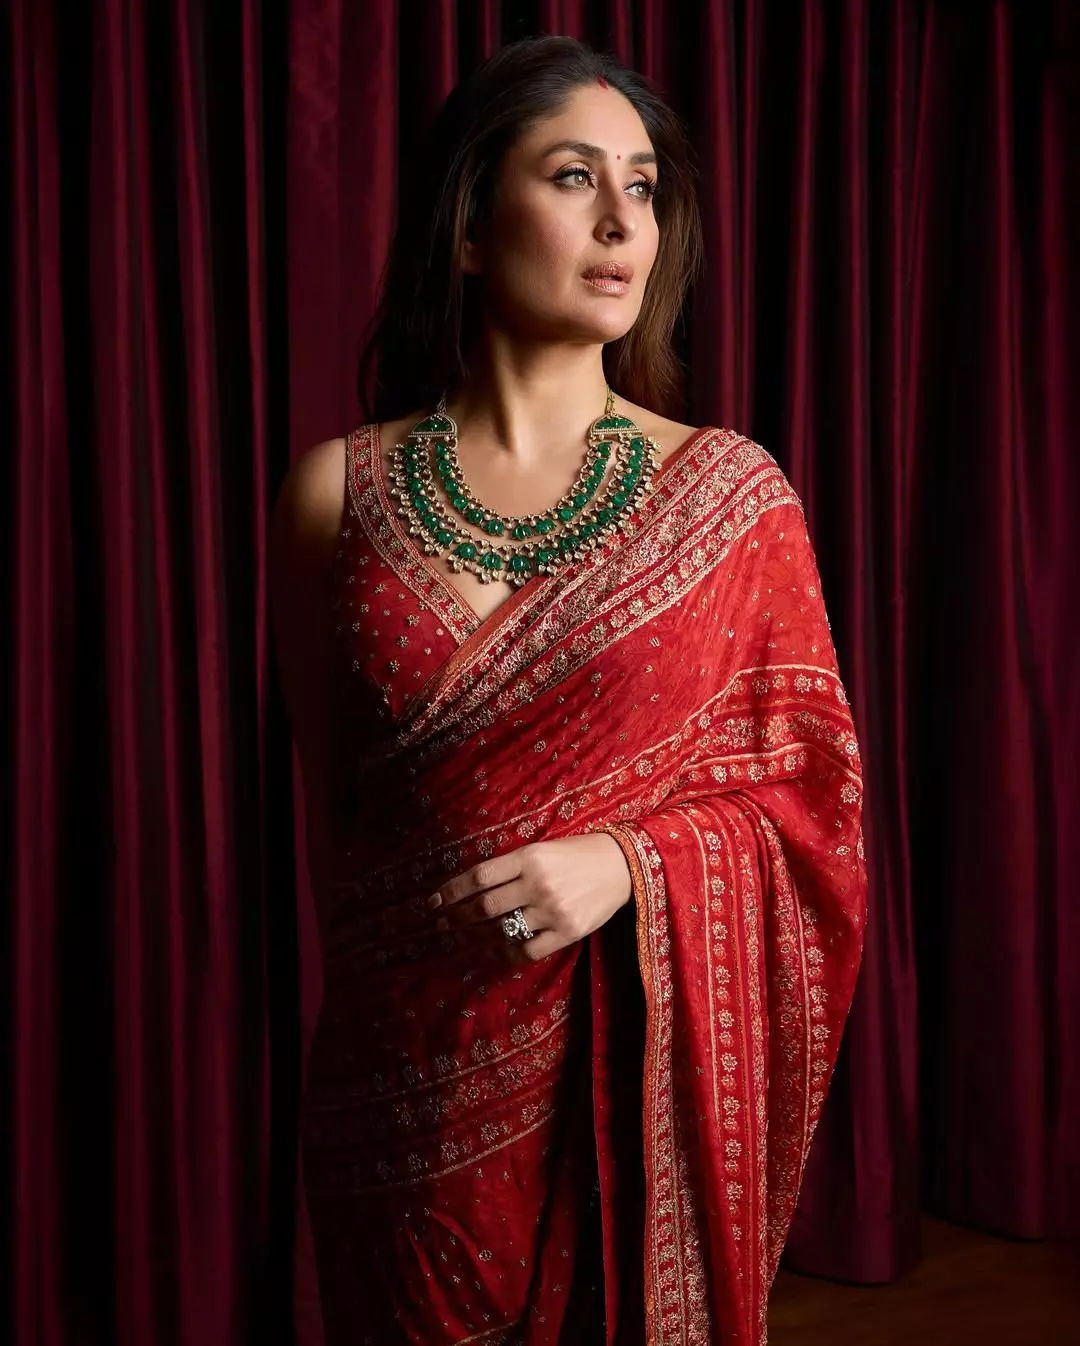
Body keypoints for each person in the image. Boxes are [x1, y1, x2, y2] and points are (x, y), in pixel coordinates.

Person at [270, 34, 866, 1346]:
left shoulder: (729, 501)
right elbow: (333, 822)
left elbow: (816, 818)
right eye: (574, 176)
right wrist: (390, 1054)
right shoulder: (338, 493)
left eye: (642, 186)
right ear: (469, 230)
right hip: (399, 1093)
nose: (621, 222)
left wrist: (630, 863)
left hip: (612, 1100)